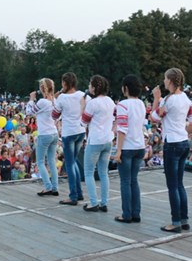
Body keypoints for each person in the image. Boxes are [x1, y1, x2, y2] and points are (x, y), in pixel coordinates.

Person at [151, 68, 192, 233]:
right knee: (179, 184)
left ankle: (176, 222)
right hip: (183, 142)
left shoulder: (168, 100)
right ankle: (184, 219)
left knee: (172, 185)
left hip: (171, 143)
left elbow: (154, 118)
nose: (164, 82)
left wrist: (156, 99)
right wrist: (183, 132)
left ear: (170, 81)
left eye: (165, 79)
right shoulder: (185, 99)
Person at [112, 75, 146, 223]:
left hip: (127, 147)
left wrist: (118, 150)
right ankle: (136, 213)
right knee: (134, 181)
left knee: (125, 181)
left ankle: (126, 214)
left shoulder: (123, 105)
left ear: (125, 88)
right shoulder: (141, 104)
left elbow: (122, 129)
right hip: (139, 146)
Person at [81, 75, 115, 212]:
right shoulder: (111, 101)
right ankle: (104, 202)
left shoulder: (93, 103)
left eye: (90, 85)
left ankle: (93, 202)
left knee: (88, 172)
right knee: (103, 172)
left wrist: (82, 107)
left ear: (94, 87)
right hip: (107, 140)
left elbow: (83, 122)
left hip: (95, 140)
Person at [53, 72, 87, 205]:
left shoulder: (62, 98)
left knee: (69, 163)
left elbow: (54, 115)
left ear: (65, 83)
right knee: (74, 161)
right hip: (80, 131)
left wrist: (57, 96)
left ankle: (73, 195)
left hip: (69, 133)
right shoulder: (82, 95)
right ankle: (78, 193)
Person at [26, 78, 59, 197]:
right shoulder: (54, 101)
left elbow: (29, 112)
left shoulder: (42, 102)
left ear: (42, 88)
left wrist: (31, 100)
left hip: (44, 134)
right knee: (51, 161)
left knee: (40, 161)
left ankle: (48, 186)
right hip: (54, 133)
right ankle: (55, 187)